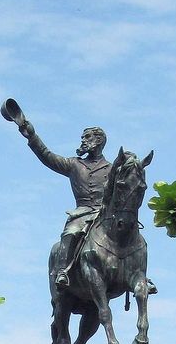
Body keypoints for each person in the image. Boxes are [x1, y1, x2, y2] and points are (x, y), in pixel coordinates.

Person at [17, 120, 112, 289]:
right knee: (70, 232)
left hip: (105, 213)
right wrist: (32, 136)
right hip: (83, 212)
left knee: (128, 234)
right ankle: (63, 271)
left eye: (87, 137)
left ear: (98, 141)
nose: (83, 140)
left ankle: (138, 275)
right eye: (82, 137)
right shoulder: (74, 164)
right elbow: (47, 156)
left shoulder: (112, 169)